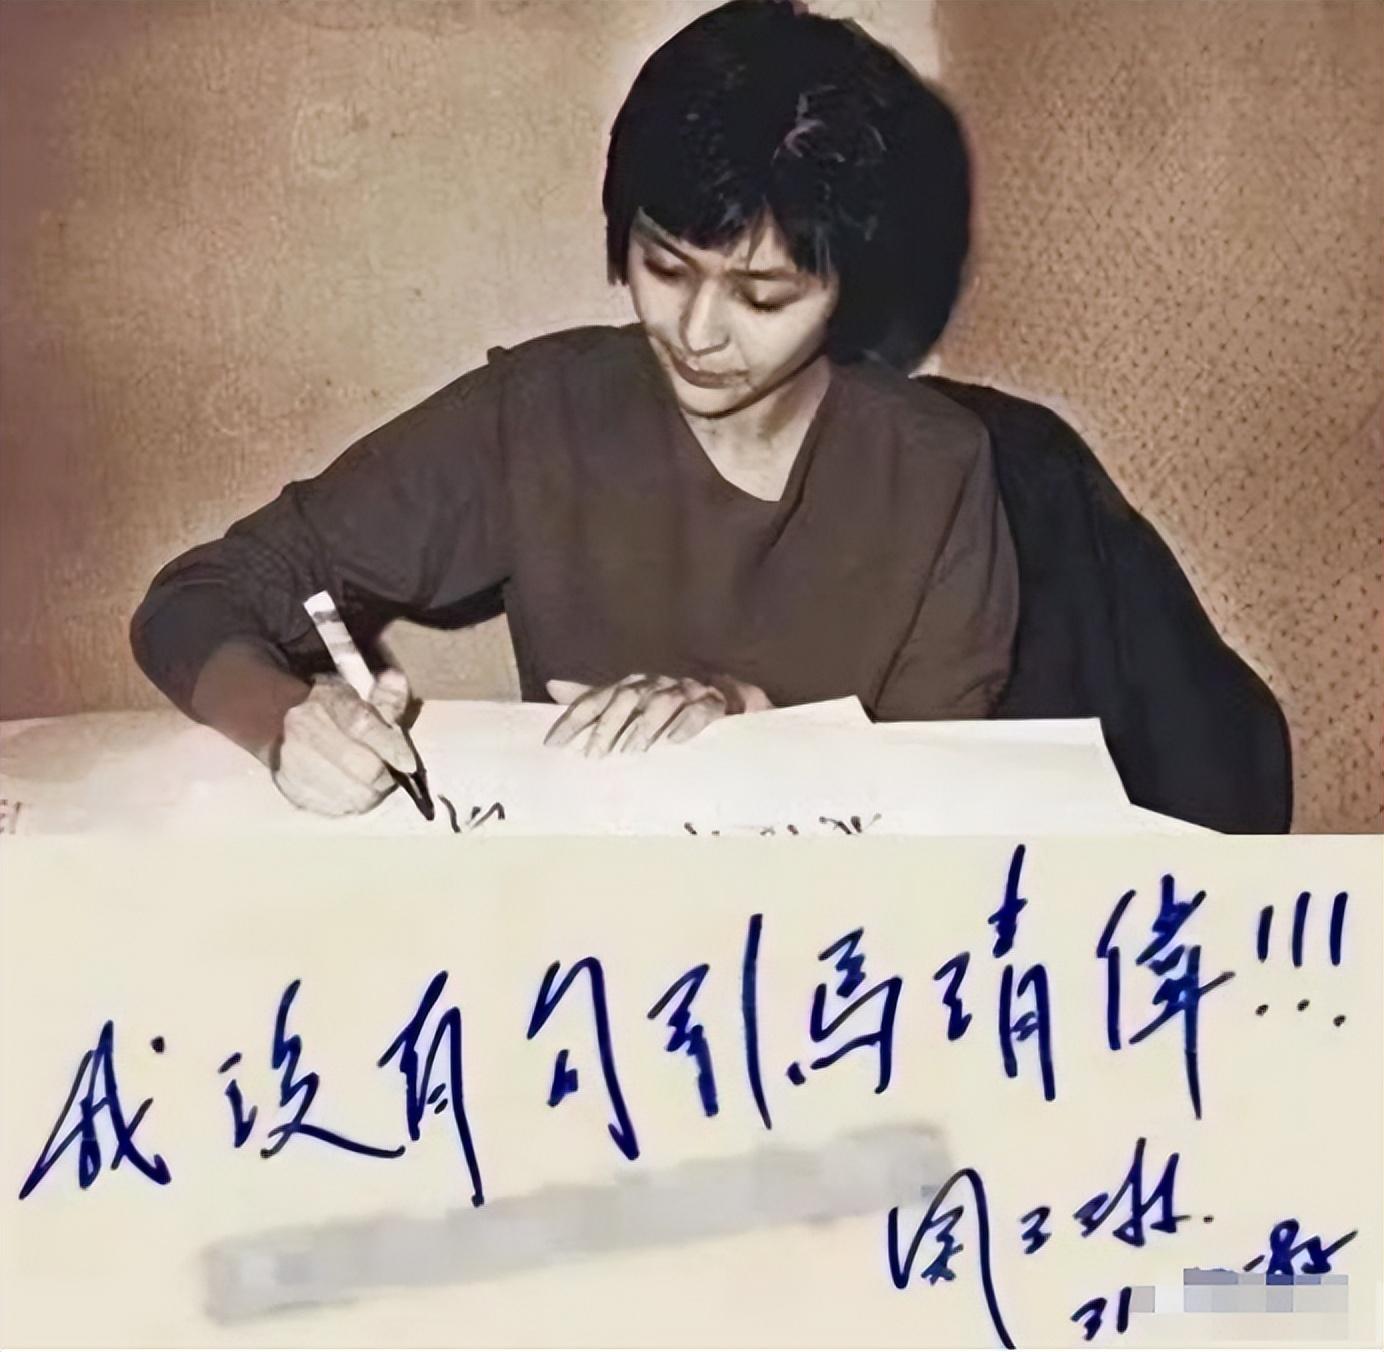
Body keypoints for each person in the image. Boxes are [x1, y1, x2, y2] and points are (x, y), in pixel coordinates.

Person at [131, 0, 1019, 818]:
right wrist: (285, 722)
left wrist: (748, 715)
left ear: (850, 287)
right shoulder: (541, 416)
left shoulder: (937, 468)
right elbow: (198, 596)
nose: (697, 333)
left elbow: (940, 802)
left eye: (762, 297)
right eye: (665, 268)